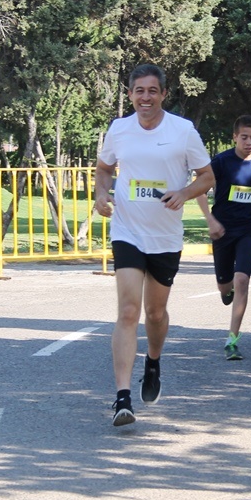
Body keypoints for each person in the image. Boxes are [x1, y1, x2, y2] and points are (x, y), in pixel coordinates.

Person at [93, 64, 214, 426]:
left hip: (165, 237)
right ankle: (122, 397)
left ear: (163, 94)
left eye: (152, 91)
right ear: (130, 94)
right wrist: (101, 194)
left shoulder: (183, 131)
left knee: (155, 314)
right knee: (129, 311)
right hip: (127, 231)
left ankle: (154, 361)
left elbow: (207, 176)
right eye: (139, 91)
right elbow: (104, 169)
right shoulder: (119, 129)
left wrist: (184, 193)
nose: (145, 97)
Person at [197, 115, 251, 361]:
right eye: (244, 137)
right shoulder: (221, 161)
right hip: (222, 230)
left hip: (247, 229)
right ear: (235, 137)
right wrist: (210, 220)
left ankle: (232, 340)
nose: (249, 142)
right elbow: (200, 191)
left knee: (242, 280)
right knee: (225, 287)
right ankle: (227, 291)